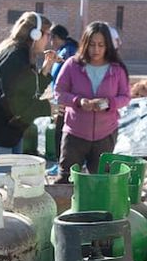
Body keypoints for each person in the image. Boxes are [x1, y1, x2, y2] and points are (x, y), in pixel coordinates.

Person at [0, 11, 53, 173]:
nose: (49, 39)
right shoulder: (14, 58)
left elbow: (31, 92)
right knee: (1, 187)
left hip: (10, 130)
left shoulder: (24, 56)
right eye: (48, 34)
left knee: (12, 184)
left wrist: (47, 66)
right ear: (36, 35)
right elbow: (13, 102)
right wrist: (47, 108)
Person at [54, 21, 132, 182]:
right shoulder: (72, 65)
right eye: (92, 44)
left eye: (101, 45)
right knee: (66, 179)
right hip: (75, 134)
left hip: (106, 135)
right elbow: (59, 93)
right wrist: (79, 101)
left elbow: (125, 97)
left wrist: (109, 103)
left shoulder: (117, 69)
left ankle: (94, 208)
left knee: (100, 181)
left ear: (108, 46)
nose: (96, 50)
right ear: (84, 44)